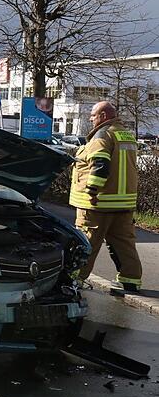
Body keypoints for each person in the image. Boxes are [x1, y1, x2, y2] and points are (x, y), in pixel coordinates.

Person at [70, 101, 143, 292]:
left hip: (98, 204)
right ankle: (130, 280)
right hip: (123, 203)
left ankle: (73, 282)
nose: (90, 118)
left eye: (93, 115)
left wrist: (92, 191)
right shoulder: (125, 134)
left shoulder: (102, 135)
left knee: (86, 243)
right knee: (124, 244)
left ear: (103, 116)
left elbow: (100, 164)